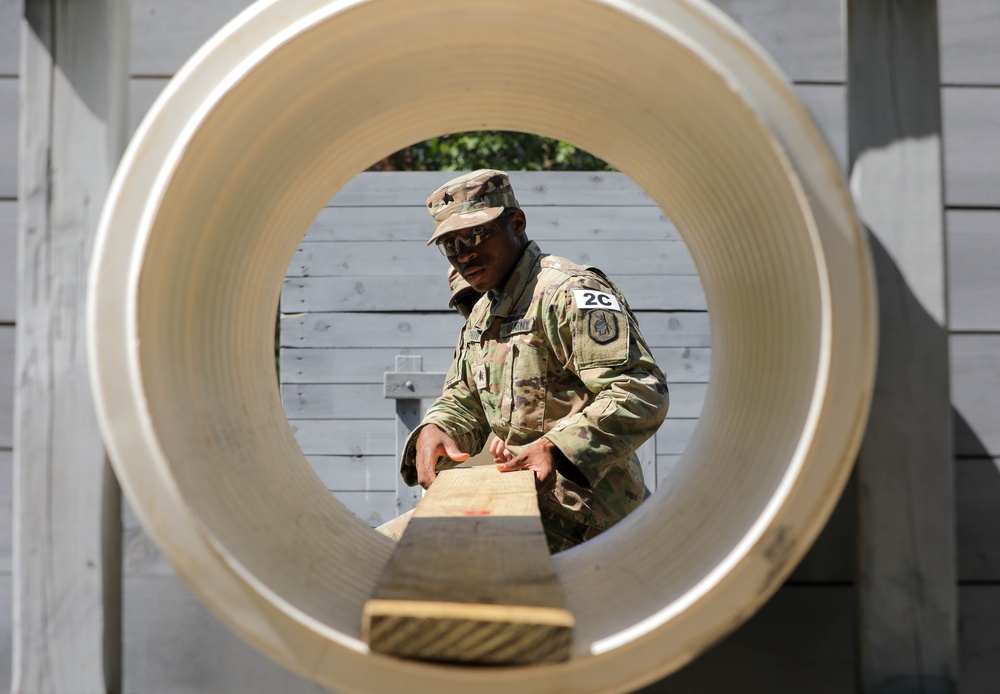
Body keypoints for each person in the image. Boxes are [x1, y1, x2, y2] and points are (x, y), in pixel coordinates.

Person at [399, 169, 669, 552]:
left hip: (585, 519)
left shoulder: (568, 292)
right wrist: (436, 427)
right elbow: (465, 398)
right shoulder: (482, 313)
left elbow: (641, 390)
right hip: (518, 501)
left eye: (474, 235)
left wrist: (556, 447)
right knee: (378, 559)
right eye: (450, 244)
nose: (463, 254)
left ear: (517, 223)